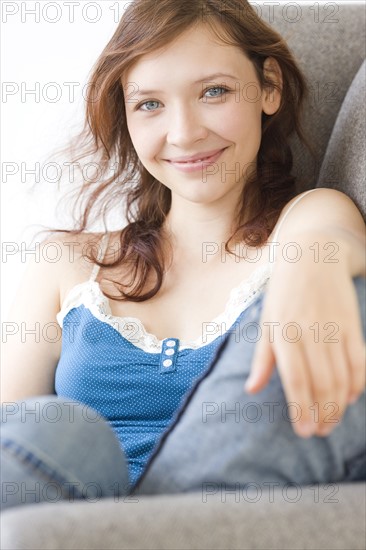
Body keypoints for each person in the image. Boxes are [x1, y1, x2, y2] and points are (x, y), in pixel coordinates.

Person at [1, 0, 365, 511]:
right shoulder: (65, 264)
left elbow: (328, 239)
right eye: (149, 104)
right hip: (63, 520)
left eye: (214, 92)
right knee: (61, 429)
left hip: (213, 511)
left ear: (269, 87)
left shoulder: (309, 218)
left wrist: (314, 269)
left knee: (356, 303)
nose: (184, 133)